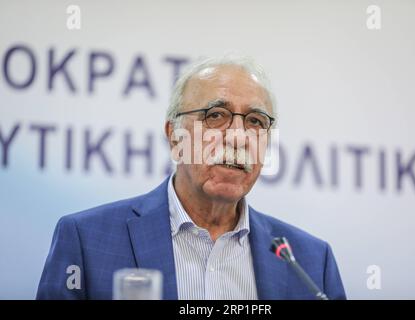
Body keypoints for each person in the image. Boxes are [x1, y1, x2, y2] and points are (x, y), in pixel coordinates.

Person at [37, 56, 346, 300]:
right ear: (174, 137)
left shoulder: (311, 263)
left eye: (255, 121)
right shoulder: (85, 240)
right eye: (215, 116)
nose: (237, 137)